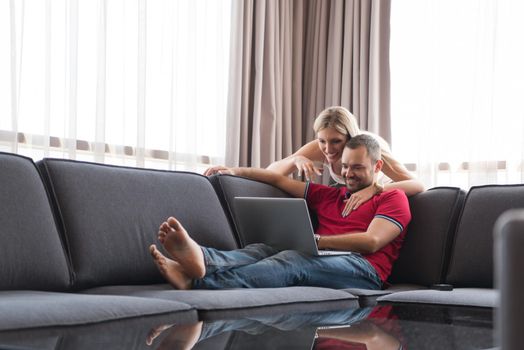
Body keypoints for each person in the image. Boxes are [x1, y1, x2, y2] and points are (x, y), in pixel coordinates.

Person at [150, 134, 411, 291]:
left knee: (293, 260)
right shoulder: (332, 194)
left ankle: (196, 283)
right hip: (323, 256)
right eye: (344, 167)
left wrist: (316, 241)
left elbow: (371, 241)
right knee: (262, 250)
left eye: (357, 168)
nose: (347, 174)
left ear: (377, 166)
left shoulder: (393, 197)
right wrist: (235, 171)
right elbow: (278, 180)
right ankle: (204, 261)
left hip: (365, 270)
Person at [206, 106, 424, 215]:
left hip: (381, 196)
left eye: (336, 142)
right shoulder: (321, 146)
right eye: (322, 141)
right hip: (352, 194)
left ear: (349, 137)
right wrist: (296, 160)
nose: (328, 150)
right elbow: (272, 172)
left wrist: (374, 189)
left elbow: (417, 184)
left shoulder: (368, 148)